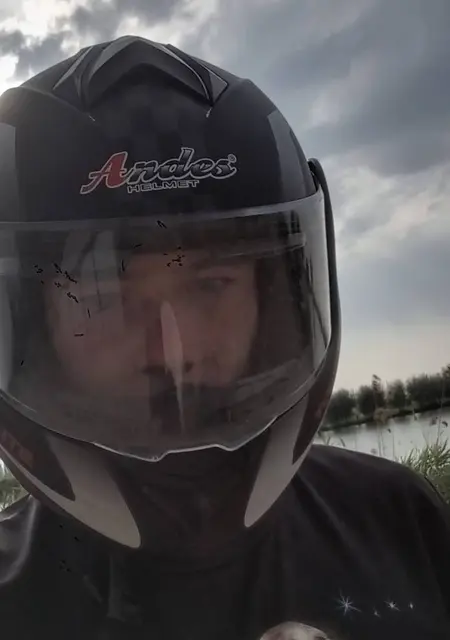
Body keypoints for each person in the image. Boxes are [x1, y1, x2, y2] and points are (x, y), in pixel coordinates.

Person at [0, 35, 448, 640]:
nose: (173, 352)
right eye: (101, 297)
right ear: (32, 331)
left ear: (276, 303)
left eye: (211, 285)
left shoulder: (399, 522)